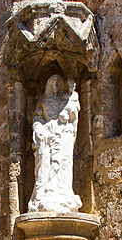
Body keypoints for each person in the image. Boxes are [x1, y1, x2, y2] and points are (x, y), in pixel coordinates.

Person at [28, 75, 82, 213]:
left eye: (58, 84)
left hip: (63, 134)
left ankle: (64, 194)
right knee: (44, 162)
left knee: (64, 162)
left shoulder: (65, 99)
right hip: (46, 136)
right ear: (48, 85)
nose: (56, 86)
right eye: (53, 83)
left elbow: (72, 114)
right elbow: (37, 118)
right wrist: (39, 130)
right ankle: (42, 196)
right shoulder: (42, 101)